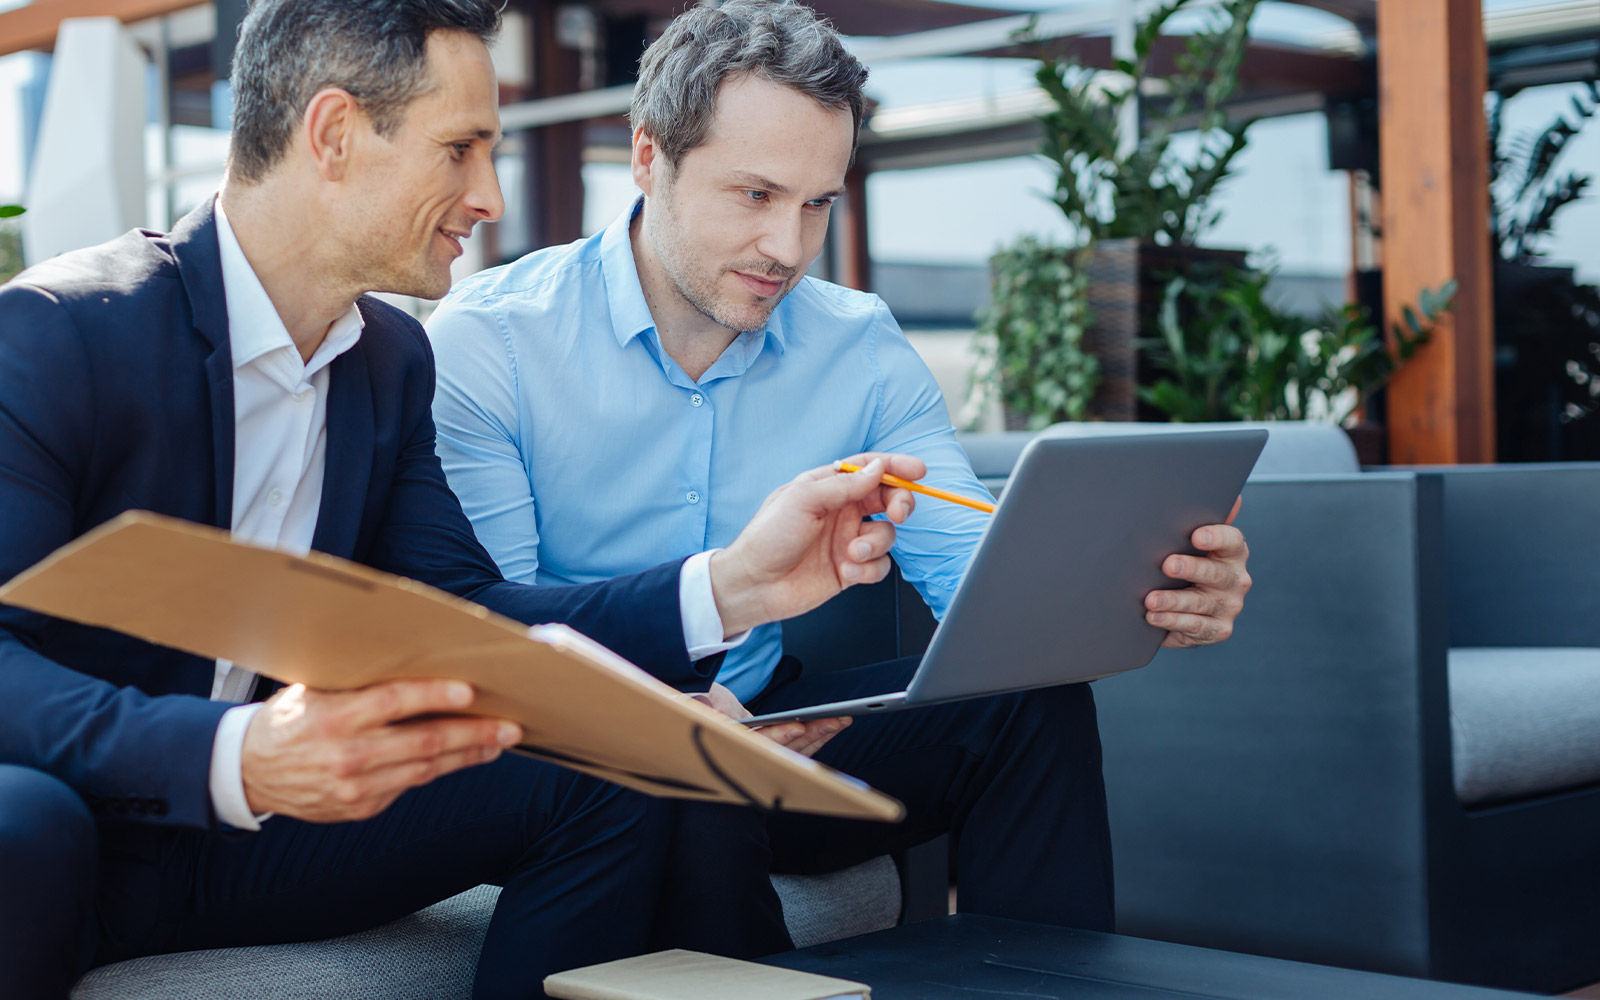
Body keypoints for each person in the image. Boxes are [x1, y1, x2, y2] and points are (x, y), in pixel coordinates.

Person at [0, 3, 926, 998]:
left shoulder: (389, 362)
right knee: (22, 819)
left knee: (606, 769)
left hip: (264, 834)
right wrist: (236, 756)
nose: (488, 195)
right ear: (334, 136)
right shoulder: (59, 336)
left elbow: (467, 615)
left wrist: (734, 587)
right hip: (85, 822)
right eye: (459, 150)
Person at [428, 0, 1253, 959]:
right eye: (756, 195)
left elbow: (986, 590)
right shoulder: (492, 344)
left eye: (819, 202)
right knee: (682, 773)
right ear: (649, 159)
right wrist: (684, 724)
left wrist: (1146, 589)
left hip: (778, 725)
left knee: (1031, 703)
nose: (789, 245)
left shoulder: (858, 345)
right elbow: (502, 635)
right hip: (585, 761)